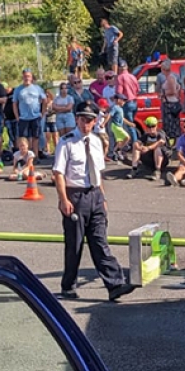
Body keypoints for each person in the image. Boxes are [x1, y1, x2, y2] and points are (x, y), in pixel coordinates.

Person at [53, 101, 136, 302]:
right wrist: (63, 199)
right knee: (75, 244)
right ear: (76, 119)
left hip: (95, 195)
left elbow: (97, 172)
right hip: (76, 195)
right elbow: (58, 173)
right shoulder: (67, 142)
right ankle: (68, 285)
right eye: (82, 119)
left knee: (100, 241)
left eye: (89, 120)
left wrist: (102, 197)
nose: (85, 124)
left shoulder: (97, 142)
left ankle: (115, 284)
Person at [13, 69, 45, 155]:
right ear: (22, 77)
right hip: (23, 118)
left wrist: (42, 112)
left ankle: (35, 156)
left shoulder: (37, 88)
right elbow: (15, 103)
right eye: (25, 76)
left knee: (36, 137)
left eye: (28, 76)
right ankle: (24, 156)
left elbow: (44, 99)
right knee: (23, 138)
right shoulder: (18, 89)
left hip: (35, 116)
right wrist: (17, 116)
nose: (27, 78)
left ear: (31, 77)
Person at [130, 116, 169, 180]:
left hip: (162, 159)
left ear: (156, 126)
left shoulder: (160, 133)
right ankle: (134, 169)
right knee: (135, 145)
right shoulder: (146, 135)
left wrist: (148, 148)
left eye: (153, 126)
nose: (151, 128)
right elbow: (137, 142)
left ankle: (157, 171)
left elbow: (161, 142)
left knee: (157, 148)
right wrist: (140, 147)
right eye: (149, 126)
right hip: (149, 159)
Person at [158, 59, 184, 140]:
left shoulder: (170, 78)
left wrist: (163, 94)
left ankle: (175, 143)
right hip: (169, 102)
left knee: (171, 125)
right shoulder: (169, 77)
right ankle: (173, 143)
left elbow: (173, 91)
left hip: (171, 104)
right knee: (170, 124)